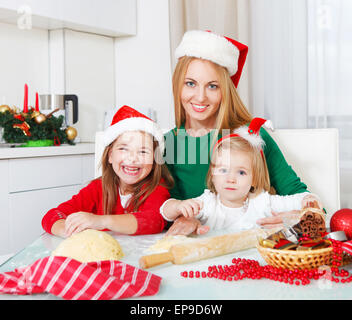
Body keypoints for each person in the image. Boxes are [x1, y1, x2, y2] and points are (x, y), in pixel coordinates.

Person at [164, 30, 309, 235]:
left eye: (212, 86)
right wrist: (183, 219)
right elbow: (159, 209)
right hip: (195, 251)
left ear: (226, 90)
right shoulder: (167, 143)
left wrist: (292, 218)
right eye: (190, 83)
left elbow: (308, 203)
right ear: (177, 85)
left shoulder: (250, 136)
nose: (200, 97)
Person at [161, 117, 322, 232]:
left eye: (241, 172)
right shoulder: (207, 203)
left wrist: (309, 200)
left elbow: (302, 200)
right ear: (212, 176)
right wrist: (177, 206)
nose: (231, 178)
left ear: (254, 179)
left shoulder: (263, 202)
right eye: (223, 170)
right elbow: (165, 211)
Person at [42, 105, 174, 238]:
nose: (133, 158)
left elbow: (154, 220)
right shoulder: (97, 188)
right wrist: (67, 231)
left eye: (143, 151)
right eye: (123, 149)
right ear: (110, 155)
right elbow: (53, 215)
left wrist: (101, 221)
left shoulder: (157, 188)